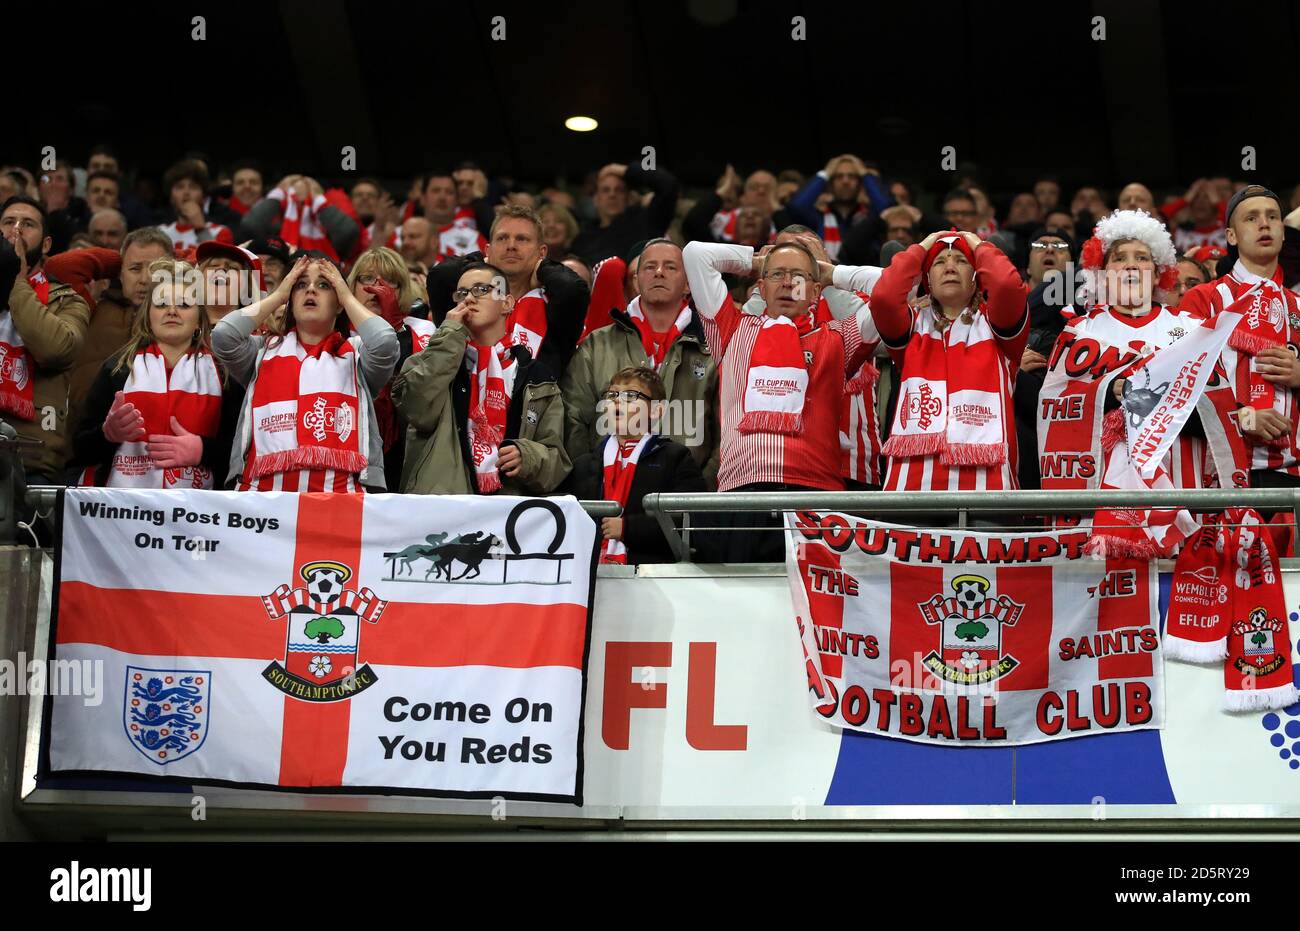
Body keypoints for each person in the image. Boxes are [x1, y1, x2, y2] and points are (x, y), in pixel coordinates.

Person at [1037, 209, 1245, 554]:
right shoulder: (1079, 330)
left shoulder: (1192, 328)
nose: (1131, 265)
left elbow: (1221, 411)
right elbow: (1054, 406)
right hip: (1099, 494)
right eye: (1119, 258)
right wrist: (1110, 391)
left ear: (1159, 272)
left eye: (1142, 258)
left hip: (1181, 485)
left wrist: (1151, 401)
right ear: (1102, 273)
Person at [682, 239, 875, 561]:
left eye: (798, 277)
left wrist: (831, 273)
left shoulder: (839, 338)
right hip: (741, 492)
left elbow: (895, 288)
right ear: (760, 286)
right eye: (777, 276)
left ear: (815, 291)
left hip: (817, 494)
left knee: (818, 609)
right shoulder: (730, 330)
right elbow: (695, 254)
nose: (788, 284)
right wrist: (759, 261)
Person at [212, 255, 399, 492]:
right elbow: (223, 336)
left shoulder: (358, 355)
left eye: (323, 285)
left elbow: (384, 341)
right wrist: (279, 296)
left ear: (339, 301)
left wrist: (347, 296)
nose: (310, 289)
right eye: (300, 284)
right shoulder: (259, 352)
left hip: (344, 501)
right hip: (260, 502)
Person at [866, 230, 1028, 493]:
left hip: (989, 492)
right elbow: (883, 297)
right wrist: (923, 245)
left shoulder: (997, 325)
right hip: (911, 492)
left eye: (962, 261)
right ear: (927, 278)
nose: (950, 267)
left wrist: (978, 244)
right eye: (939, 262)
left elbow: (1007, 285)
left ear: (976, 278)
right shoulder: (912, 325)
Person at [393, 261, 569, 495]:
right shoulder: (429, 359)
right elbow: (417, 409)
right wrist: (449, 336)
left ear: (507, 303)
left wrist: (527, 456)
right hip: (442, 511)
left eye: (482, 289)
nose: (469, 299)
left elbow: (557, 461)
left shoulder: (538, 378)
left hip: (506, 518)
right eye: (462, 293)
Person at [71, 257, 235, 489]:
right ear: (149, 316)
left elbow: (241, 455)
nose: (172, 311)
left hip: (198, 513)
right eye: (161, 304)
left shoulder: (224, 374)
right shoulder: (117, 368)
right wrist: (107, 434)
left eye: (184, 304)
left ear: (200, 320)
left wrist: (203, 450)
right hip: (124, 510)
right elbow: (79, 450)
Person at [562, 238, 718, 480]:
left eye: (670, 267)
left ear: (688, 284)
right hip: (607, 495)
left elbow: (727, 431)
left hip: (689, 499)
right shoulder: (596, 344)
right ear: (636, 281)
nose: (658, 272)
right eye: (649, 267)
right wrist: (592, 482)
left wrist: (698, 490)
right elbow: (573, 420)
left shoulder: (715, 347)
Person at [1180, 185, 1300, 488]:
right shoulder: (1202, 299)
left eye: (1273, 217)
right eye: (1251, 218)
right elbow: (1178, 388)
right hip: (1219, 470)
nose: (1264, 224)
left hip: (1291, 475)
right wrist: (1243, 419)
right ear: (1231, 236)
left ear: (1283, 233)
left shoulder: (1298, 305)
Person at [426, 205, 589, 377]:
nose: (511, 246)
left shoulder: (553, 305)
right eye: (502, 238)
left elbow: (574, 289)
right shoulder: (466, 299)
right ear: (488, 250)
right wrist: (481, 263)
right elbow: (439, 275)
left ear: (541, 252)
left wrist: (544, 268)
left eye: (522, 239)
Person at [565, 366, 707, 564]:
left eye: (631, 395)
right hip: (589, 575)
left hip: (652, 579)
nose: (617, 400)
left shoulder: (676, 458)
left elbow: (691, 521)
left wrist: (628, 529)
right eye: (612, 394)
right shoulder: (583, 464)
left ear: (656, 411)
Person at [44, 227, 174, 436]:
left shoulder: (181, 317)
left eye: (155, 269)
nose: (144, 279)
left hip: (152, 440)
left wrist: (178, 267)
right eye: (135, 269)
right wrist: (118, 259)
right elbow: (58, 267)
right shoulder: (90, 307)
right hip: (86, 439)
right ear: (119, 274)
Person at [0, 196, 92, 485]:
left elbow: (56, 350)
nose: (16, 231)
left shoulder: (69, 301)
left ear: (47, 244)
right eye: (7, 223)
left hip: (31, 459)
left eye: (27, 224)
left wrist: (15, 278)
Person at [344, 246, 427, 483]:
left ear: (404, 291)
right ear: (350, 287)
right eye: (368, 278)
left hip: (407, 455)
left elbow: (420, 387)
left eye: (389, 281)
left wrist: (394, 326)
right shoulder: (331, 331)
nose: (376, 288)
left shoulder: (422, 333)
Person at [571, 161, 680, 266]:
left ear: (629, 198)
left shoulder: (647, 221)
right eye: (605, 190)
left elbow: (668, 185)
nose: (612, 195)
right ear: (595, 199)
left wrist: (619, 169)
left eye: (619, 190)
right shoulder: (583, 239)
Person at [787, 154, 892, 261]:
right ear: (830, 184)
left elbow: (886, 209)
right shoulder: (819, 218)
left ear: (860, 184)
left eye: (852, 176)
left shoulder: (869, 218)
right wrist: (825, 174)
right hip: (825, 275)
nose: (845, 181)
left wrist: (865, 174)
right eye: (839, 176)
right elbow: (797, 207)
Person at [239, 174, 361, 263]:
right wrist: (277, 195)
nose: (298, 206)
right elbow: (249, 225)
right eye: (292, 197)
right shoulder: (273, 230)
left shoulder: (328, 234)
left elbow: (348, 231)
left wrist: (319, 200)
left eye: (308, 201)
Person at [159, 159, 235, 255]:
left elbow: (219, 266)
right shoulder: (160, 233)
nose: (186, 192)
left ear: (203, 197)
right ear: (171, 197)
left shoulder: (220, 232)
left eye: (193, 187)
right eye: (180, 187)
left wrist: (201, 229)